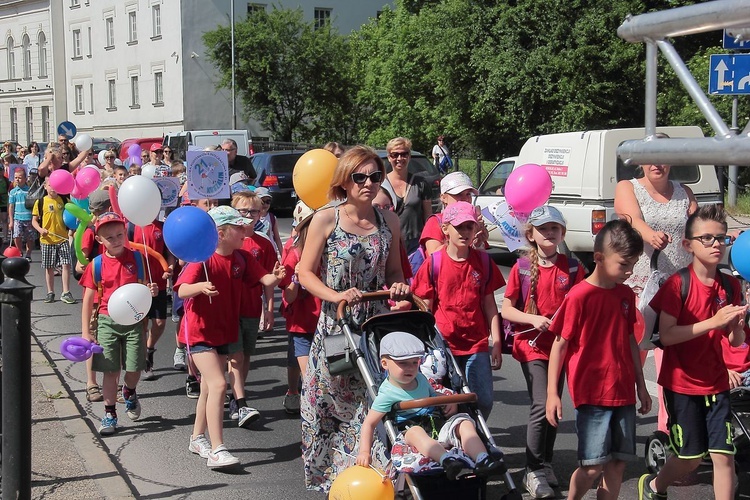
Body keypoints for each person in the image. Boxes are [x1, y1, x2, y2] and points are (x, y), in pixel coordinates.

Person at [297, 145, 410, 493]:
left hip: (375, 328)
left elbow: (393, 270)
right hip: (337, 327)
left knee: (376, 403)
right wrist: (337, 296)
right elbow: (304, 272)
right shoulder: (327, 217)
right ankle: (336, 483)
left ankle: (375, 479)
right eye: (359, 177)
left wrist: (399, 286)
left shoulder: (387, 220)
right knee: (332, 408)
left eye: (375, 176)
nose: (369, 183)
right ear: (344, 181)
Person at [639, 205, 746, 500]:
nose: (715, 244)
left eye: (721, 238)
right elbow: (669, 336)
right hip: (683, 385)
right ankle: (654, 486)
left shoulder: (731, 285)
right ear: (688, 245)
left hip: (716, 384)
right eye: (707, 238)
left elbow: (735, 342)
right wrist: (713, 322)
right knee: (692, 458)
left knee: (724, 456)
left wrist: (736, 326)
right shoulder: (677, 285)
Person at [545, 219, 651, 500]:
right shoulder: (579, 296)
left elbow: (630, 340)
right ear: (599, 258)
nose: (629, 272)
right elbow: (559, 345)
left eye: (633, 265)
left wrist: (641, 385)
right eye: (624, 264)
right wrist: (552, 394)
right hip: (592, 393)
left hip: (623, 391)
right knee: (592, 466)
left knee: (618, 463)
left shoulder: (626, 294)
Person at [175, 206, 284, 468]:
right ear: (221, 233)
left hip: (224, 331)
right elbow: (182, 290)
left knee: (207, 388)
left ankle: (197, 437)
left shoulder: (242, 257)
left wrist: (277, 277)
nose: (245, 231)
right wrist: (200, 287)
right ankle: (217, 449)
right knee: (218, 384)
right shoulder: (202, 259)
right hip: (199, 332)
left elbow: (264, 277)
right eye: (239, 227)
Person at [613, 139, 698, 433]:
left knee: (672, 361)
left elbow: (697, 227)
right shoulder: (628, 187)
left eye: (662, 158)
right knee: (630, 357)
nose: (656, 164)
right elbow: (632, 218)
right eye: (650, 158)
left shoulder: (684, 192)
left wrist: (723, 235)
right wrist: (649, 234)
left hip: (677, 287)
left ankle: (667, 429)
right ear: (641, 162)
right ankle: (618, 425)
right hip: (642, 285)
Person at [501, 205, 584, 498]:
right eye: (543, 229)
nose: (549, 233)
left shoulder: (573, 267)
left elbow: (584, 301)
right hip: (531, 346)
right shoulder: (522, 268)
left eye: (554, 228)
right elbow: (507, 308)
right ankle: (532, 469)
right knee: (540, 402)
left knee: (554, 402)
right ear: (531, 234)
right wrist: (533, 318)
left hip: (560, 347)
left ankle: (545, 461)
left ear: (562, 233)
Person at [356, 331, 504, 479]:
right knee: (415, 431)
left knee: (464, 423)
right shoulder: (387, 393)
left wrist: (450, 400)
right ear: (384, 364)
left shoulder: (420, 379)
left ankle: (483, 459)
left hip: (438, 424)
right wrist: (364, 451)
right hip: (411, 429)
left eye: (415, 362)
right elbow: (369, 424)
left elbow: (434, 396)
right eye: (403, 363)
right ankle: (447, 460)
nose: (410, 368)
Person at [411, 202, 504, 417]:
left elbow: (490, 305)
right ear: (445, 229)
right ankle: (458, 442)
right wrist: (425, 347)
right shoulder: (434, 262)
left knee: (483, 400)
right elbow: (425, 309)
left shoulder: (483, 261)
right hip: (444, 343)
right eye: (459, 227)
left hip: (476, 343)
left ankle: (476, 441)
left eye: (469, 227)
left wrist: (497, 343)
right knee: (447, 400)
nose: (464, 232)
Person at [79, 212, 159, 435]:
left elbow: (144, 289)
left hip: (134, 322)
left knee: (134, 368)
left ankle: (130, 390)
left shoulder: (137, 259)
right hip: (107, 321)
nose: (116, 241)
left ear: (126, 234)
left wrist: (151, 291)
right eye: (110, 237)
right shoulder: (96, 265)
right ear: (99, 240)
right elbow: (87, 301)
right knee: (110, 371)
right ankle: (109, 413)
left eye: (120, 235)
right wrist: (86, 331)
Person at [226, 191, 278, 427]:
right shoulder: (226, 239)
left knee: (245, 354)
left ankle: (238, 392)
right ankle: (239, 400)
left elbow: (268, 279)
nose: (248, 216)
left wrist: (269, 309)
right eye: (243, 211)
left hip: (250, 306)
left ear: (261, 214)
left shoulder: (263, 243)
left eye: (253, 212)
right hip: (228, 306)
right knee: (234, 356)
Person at [278, 200, 320, 414]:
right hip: (300, 321)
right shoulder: (292, 251)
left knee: (322, 372)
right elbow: (289, 296)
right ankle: (294, 392)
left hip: (324, 320)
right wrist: (296, 275)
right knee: (305, 371)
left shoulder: (329, 250)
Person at [131, 217, 174, 381]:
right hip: (139, 284)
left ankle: (149, 349)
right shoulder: (131, 226)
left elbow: (169, 253)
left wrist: (169, 268)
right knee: (142, 324)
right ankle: (143, 361)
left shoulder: (162, 227)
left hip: (159, 284)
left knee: (160, 322)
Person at [381, 137, 433, 254]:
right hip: (389, 242)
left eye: (404, 154)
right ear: (389, 157)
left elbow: (428, 217)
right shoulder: (380, 184)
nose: (399, 158)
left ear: (409, 156)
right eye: (395, 155)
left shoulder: (420, 183)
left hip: (415, 244)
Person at [419, 171, 487, 256]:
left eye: (468, 194)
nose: (465, 199)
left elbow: (478, 258)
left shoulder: (472, 221)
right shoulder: (435, 222)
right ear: (443, 198)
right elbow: (434, 256)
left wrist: (478, 241)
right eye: (458, 194)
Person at [31, 177, 76, 304]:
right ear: (45, 187)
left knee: (66, 264)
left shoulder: (64, 200)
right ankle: (50, 292)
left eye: (55, 185)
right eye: (50, 185)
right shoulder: (40, 202)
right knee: (49, 267)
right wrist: (40, 230)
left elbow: (73, 213)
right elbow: (34, 220)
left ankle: (66, 292)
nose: (53, 188)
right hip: (47, 240)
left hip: (62, 238)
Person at [8, 168, 36, 261]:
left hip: (28, 217)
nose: (17, 179)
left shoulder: (29, 191)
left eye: (19, 177)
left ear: (25, 179)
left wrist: (35, 217)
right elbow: (11, 207)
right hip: (17, 217)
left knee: (30, 237)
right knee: (17, 236)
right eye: (15, 177)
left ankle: (28, 254)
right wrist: (11, 221)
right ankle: (19, 252)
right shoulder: (13, 192)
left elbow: (33, 205)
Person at [254, 187, 282, 257]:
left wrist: (283, 255)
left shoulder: (272, 218)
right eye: (262, 202)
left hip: (271, 252)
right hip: (257, 253)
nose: (265, 204)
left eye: (268, 201)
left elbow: (277, 238)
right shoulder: (252, 217)